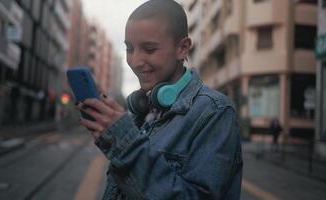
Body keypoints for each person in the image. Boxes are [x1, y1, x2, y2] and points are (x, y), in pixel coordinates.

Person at [76, 0, 243, 199]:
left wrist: (125, 143)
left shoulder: (215, 112)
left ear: (182, 48)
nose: (135, 62)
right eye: (129, 49)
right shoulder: (141, 110)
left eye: (149, 49)